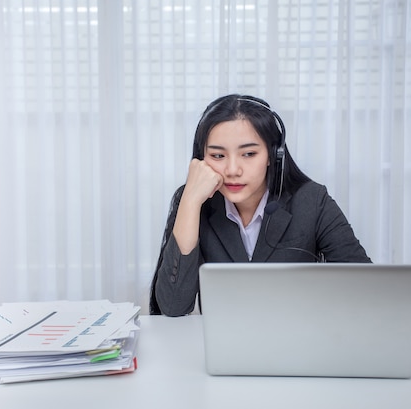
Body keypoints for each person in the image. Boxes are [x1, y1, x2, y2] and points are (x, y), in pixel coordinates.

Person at [150, 94, 370, 316]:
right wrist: (189, 201)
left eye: (248, 154)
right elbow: (173, 306)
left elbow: (366, 288)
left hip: (298, 342)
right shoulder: (194, 201)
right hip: (225, 344)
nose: (233, 170)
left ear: (273, 155)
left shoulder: (312, 200)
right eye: (218, 155)